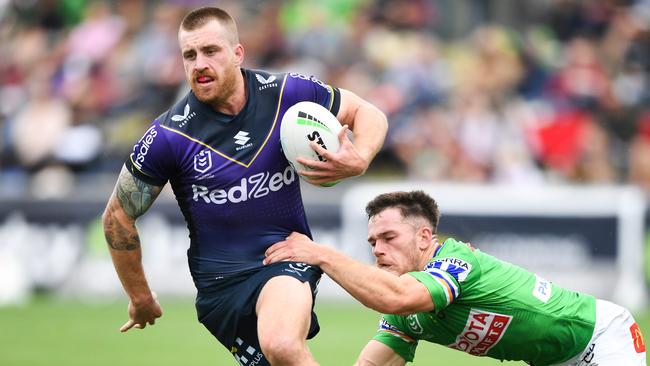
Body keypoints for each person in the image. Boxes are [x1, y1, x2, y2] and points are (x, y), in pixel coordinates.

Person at [101, 6, 387, 366]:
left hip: (285, 258)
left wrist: (359, 158)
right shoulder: (168, 135)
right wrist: (140, 296)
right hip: (220, 292)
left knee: (282, 345)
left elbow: (368, 112)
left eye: (210, 51)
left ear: (237, 54)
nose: (198, 63)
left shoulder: (286, 93)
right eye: (189, 55)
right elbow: (116, 218)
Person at [264, 190, 647, 366]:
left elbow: (396, 297)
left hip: (599, 337)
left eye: (389, 237)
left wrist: (321, 254)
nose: (378, 249)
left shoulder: (456, 261)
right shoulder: (403, 308)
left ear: (425, 237)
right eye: (372, 241)